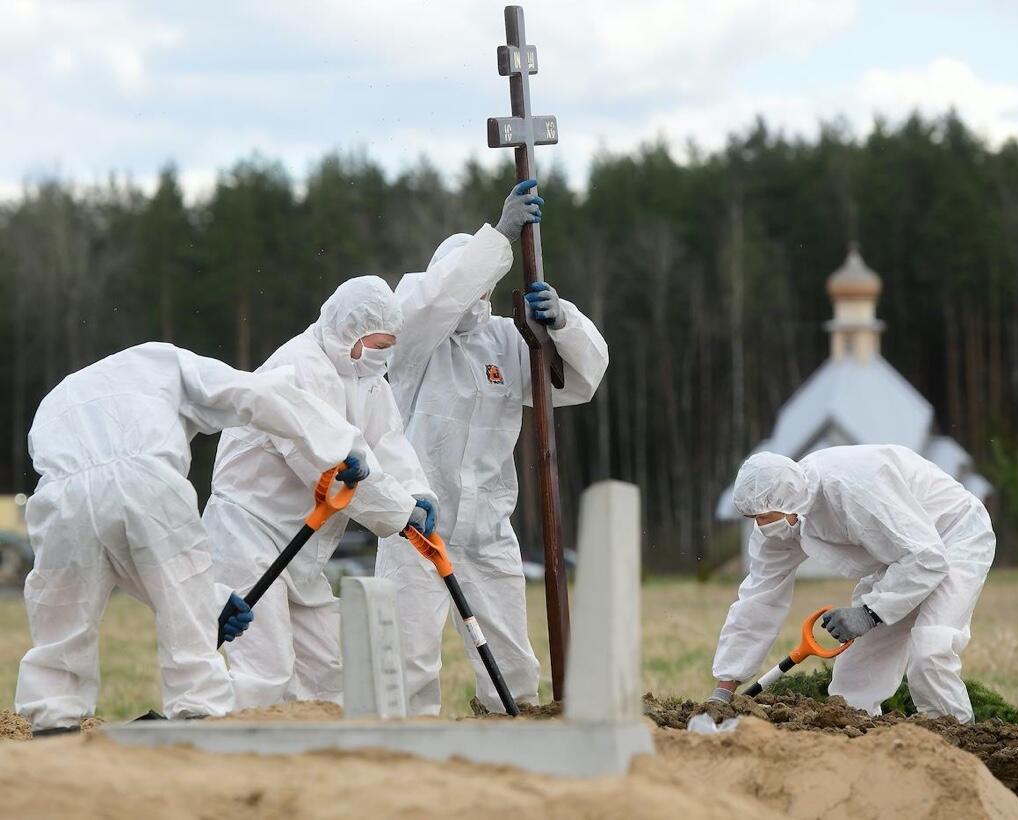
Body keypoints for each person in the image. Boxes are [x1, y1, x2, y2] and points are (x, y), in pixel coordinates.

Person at [15, 342, 366, 735]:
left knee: (61, 622)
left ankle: (52, 725)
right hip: (147, 480)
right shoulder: (164, 361)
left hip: (58, 498)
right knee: (191, 642)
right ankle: (198, 715)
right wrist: (339, 446)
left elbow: (107, 530)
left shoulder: (60, 395)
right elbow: (257, 394)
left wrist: (214, 602)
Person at [376, 179, 609, 714]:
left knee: (512, 665)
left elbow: (580, 380)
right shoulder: (412, 340)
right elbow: (437, 299)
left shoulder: (508, 339)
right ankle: (405, 747)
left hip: (487, 529)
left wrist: (562, 325)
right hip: (416, 524)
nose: (476, 294)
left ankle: (510, 737)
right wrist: (501, 235)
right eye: (470, 281)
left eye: (484, 285)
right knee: (407, 662)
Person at [204, 276, 437, 709]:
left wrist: (415, 491)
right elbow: (324, 464)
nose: (382, 356)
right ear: (348, 329)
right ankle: (209, 735)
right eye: (377, 344)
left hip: (303, 547)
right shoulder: (297, 368)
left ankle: (317, 751)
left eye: (389, 346)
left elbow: (387, 441)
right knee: (266, 673)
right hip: (250, 535)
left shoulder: (367, 377)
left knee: (326, 676)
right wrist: (398, 511)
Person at [708, 445, 996, 723]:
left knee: (930, 652)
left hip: (954, 534)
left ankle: (955, 740)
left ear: (789, 502)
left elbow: (927, 558)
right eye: (753, 518)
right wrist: (724, 689)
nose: (760, 526)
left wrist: (869, 613)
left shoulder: (852, 489)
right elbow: (758, 600)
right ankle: (855, 743)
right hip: (899, 555)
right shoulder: (780, 521)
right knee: (855, 677)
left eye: (763, 517)